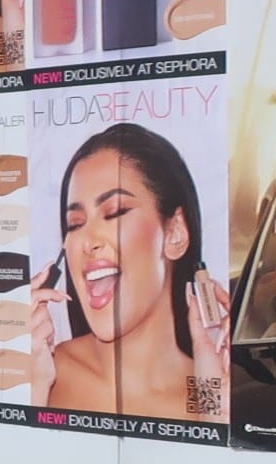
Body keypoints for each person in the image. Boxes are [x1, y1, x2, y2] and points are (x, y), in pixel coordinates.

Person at [27, 122, 229, 423]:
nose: (89, 241)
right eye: (75, 224)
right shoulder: (45, 375)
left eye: (115, 213)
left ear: (174, 233)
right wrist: (31, 388)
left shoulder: (210, 394)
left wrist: (218, 406)